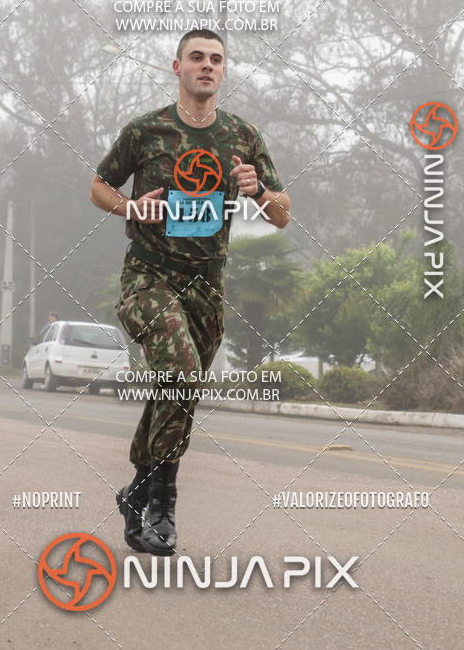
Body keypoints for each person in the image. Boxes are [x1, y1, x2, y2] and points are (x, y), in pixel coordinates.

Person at [90, 28, 290, 555]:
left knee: (177, 390)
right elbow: (99, 185)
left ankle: (135, 492)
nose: (207, 65)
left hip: (207, 284)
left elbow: (283, 214)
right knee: (179, 374)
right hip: (149, 276)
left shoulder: (242, 137)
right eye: (196, 57)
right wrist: (131, 206)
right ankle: (162, 503)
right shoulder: (145, 131)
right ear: (176, 67)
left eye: (216, 59)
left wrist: (259, 191)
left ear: (224, 71)